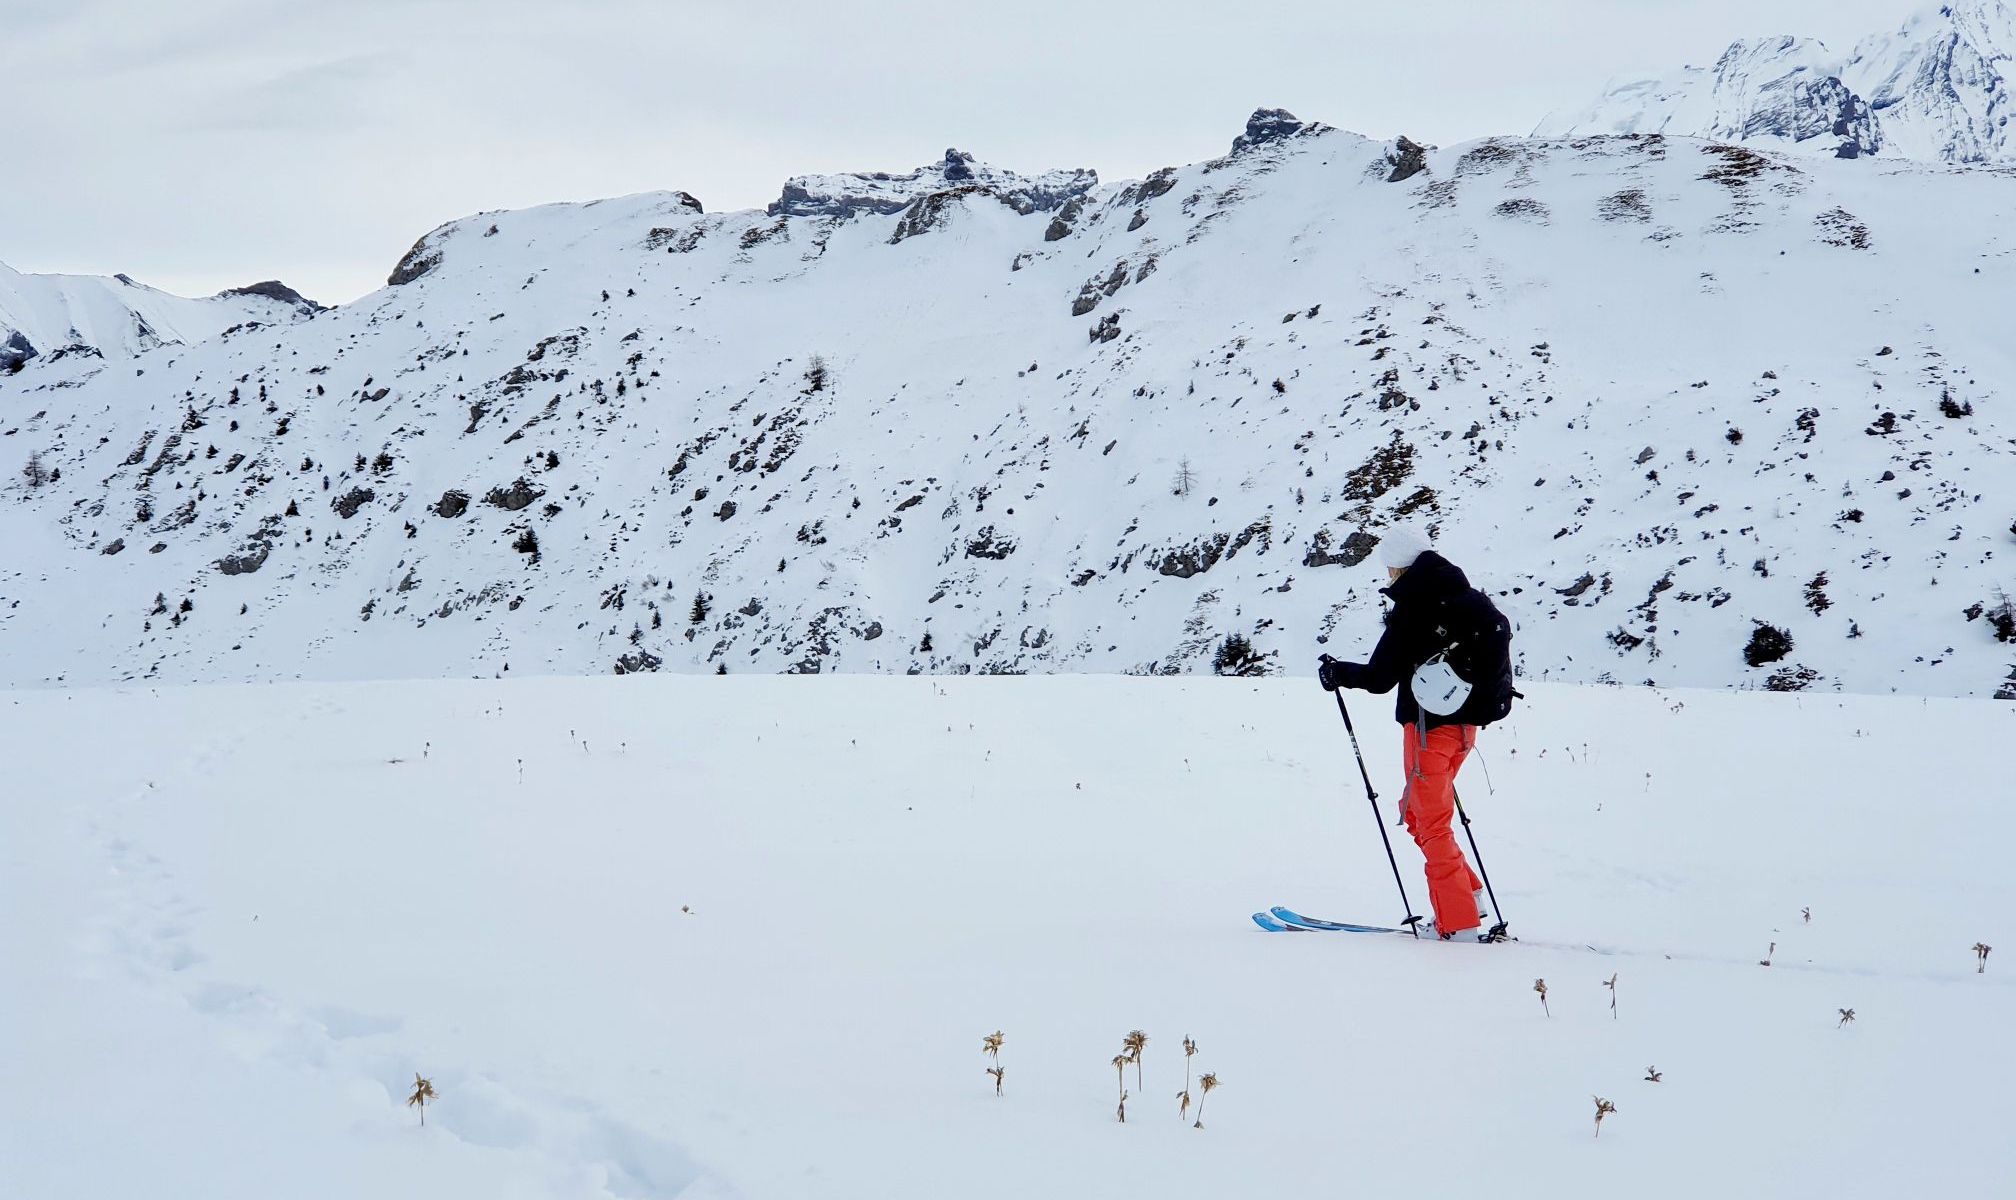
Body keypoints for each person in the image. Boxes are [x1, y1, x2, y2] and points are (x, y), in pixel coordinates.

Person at [1317, 525, 1515, 941]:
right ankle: (1467, 895)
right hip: (1465, 730)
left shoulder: (1415, 606)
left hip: (1428, 731)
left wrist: (1338, 673)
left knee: (1431, 823)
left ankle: (1457, 924)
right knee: (1418, 815)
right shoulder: (1467, 598)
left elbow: (1379, 678)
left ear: (1397, 567)